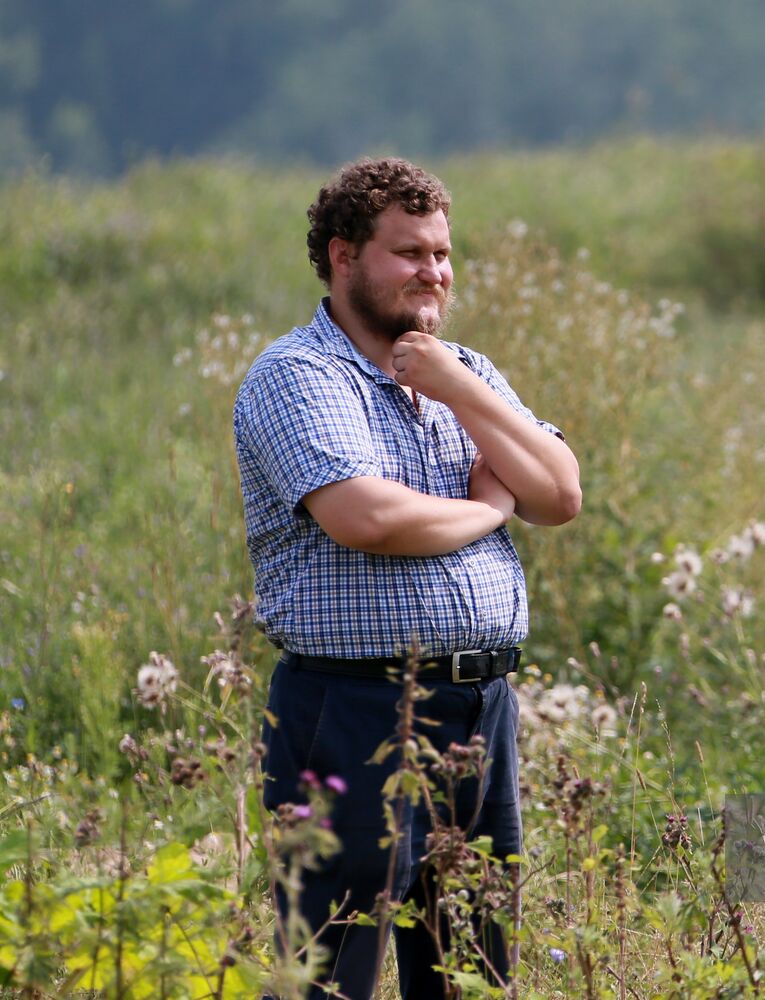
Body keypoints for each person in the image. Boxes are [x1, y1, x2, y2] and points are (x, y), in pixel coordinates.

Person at [233, 157, 581, 998]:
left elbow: (560, 492)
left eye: (442, 253)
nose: (433, 272)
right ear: (344, 256)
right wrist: (490, 512)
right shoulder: (298, 375)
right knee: (329, 967)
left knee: (469, 969)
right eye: (408, 253)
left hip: (476, 709)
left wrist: (462, 390)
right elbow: (370, 519)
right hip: (349, 709)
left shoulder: (463, 372)